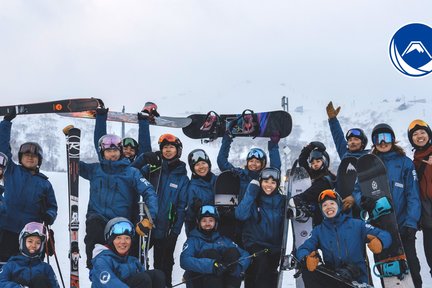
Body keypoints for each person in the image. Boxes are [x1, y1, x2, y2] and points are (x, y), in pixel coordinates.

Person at [74, 131, 158, 269]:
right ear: (102, 152)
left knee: (123, 263)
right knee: (95, 242)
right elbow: (74, 165)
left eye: (115, 150)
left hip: (121, 222)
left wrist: (149, 218)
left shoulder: (131, 172)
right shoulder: (94, 170)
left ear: (121, 152)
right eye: (108, 150)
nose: (112, 154)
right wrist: (71, 145)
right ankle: (96, 272)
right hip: (98, 220)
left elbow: (149, 192)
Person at [352, 123, 422, 288]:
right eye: (378, 139)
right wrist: (363, 200)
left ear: (393, 139)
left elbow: (413, 195)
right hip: (380, 228)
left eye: (387, 138)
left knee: (411, 267)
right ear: (374, 142)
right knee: (387, 269)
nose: (383, 142)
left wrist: (411, 223)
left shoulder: (404, 163)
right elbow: (356, 190)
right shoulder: (368, 164)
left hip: (404, 226)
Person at [297, 190, 392, 287]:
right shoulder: (318, 231)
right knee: (308, 270)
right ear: (321, 210)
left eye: (332, 203)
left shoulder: (357, 225)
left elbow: (385, 234)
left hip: (356, 280)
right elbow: (304, 248)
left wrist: (380, 241)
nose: (328, 207)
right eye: (324, 205)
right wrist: (305, 258)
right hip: (333, 278)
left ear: (339, 205)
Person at [132, 133, 189, 287]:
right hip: (146, 226)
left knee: (163, 269)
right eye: (165, 147)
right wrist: (142, 158)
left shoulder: (182, 178)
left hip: (166, 231)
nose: (168, 150)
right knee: (136, 262)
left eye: (171, 147)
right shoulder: (152, 169)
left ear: (178, 150)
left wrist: (175, 232)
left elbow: (182, 207)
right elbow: (131, 174)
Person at [0, 111, 58, 263]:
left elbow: (52, 206)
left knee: (28, 269)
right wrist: (6, 122)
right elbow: (2, 147)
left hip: (31, 234)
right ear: (20, 157)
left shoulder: (45, 183)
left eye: (34, 156)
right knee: (4, 266)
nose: (30, 157)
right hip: (7, 228)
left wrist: (49, 215)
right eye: (26, 154)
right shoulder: (11, 170)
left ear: (39, 160)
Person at [235, 167, 285, 288]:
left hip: (274, 247)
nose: (269, 185)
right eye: (266, 181)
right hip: (255, 243)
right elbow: (240, 215)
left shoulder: (282, 201)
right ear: (260, 182)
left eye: (273, 182)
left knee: (270, 277)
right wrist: (250, 193)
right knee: (261, 269)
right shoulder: (254, 199)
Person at [180, 205, 250, 288]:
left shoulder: (223, 240)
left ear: (216, 222)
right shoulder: (193, 240)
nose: (207, 224)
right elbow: (185, 260)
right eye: (204, 221)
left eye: (211, 220)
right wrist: (212, 265)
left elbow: (246, 255)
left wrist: (238, 266)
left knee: (232, 252)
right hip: (200, 282)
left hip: (224, 282)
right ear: (198, 222)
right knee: (211, 253)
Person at [91, 217, 165, 288]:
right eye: (118, 238)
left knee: (157, 275)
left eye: (127, 238)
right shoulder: (102, 261)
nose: (123, 242)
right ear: (110, 240)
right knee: (143, 279)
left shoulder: (132, 261)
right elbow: (110, 284)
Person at [326, 101, 369, 215]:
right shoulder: (346, 155)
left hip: (359, 204)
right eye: (350, 140)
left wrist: (356, 197)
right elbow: (338, 137)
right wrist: (332, 120)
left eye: (356, 139)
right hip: (341, 203)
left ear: (363, 142)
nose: (352, 142)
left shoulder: (369, 157)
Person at [93, 102, 159, 162]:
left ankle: (145, 114)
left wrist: (143, 120)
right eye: (125, 149)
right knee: (104, 153)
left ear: (136, 153)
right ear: (120, 150)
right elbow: (101, 145)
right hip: (113, 171)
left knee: (145, 156)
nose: (128, 151)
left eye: (132, 150)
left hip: (132, 172)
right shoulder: (111, 161)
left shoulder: (136, 166)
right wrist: (101, 117)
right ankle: (144, 117)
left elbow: (144, 150)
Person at [0, 222, 59, 288]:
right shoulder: (11, 265)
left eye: (38, 243)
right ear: (23, 242)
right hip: (18, 284)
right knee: (19, 280)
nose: (33, 245)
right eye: (30, 241)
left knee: (40, 279)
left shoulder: (46, 268)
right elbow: (1, 282)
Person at [408, 119, 432, 278]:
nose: (419, 136)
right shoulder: (413, 163)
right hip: (428, 219)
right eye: (415, 134)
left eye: (422, 132)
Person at [292, 141, 336, 226]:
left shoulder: (328, 177)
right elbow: (302, 161)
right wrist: (309, 147)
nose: (315, 164)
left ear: (324, 161)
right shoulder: (312, 174)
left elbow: (314, 191)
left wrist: (298, 198)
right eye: (312, 163)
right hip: (313, 216)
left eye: (318, 161)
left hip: (325, 216)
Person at [185, 149, 217, 236]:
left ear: (209, 164)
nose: (201, 167)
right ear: (193, 169)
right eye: (197, 165)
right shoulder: (191, 188)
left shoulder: (218, 181)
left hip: (220, 230)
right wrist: (194, 210)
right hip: (201, 232)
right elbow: (188, 218)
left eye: (203, 163)